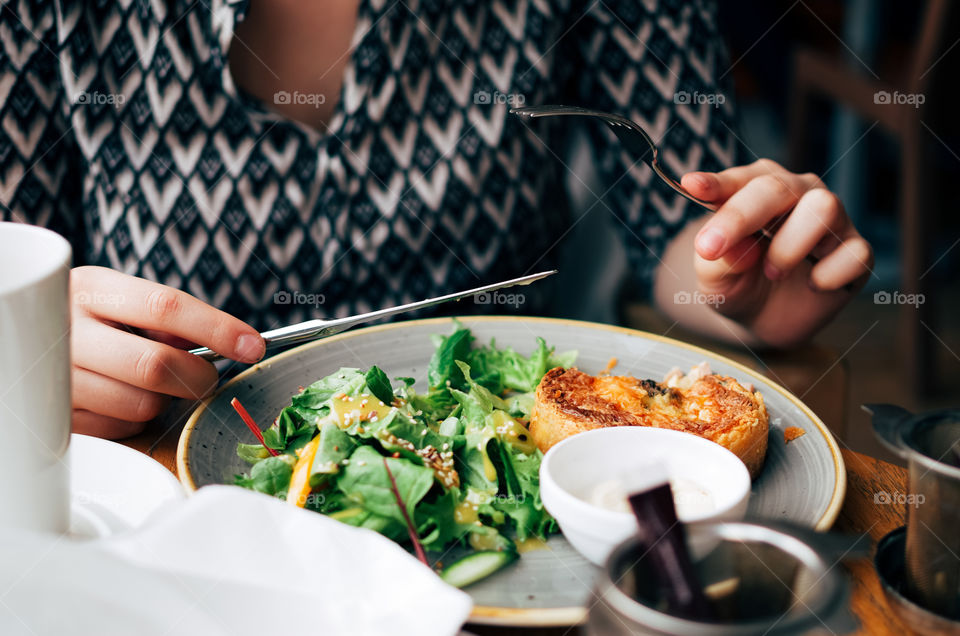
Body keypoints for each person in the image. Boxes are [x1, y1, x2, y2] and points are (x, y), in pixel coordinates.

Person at [0, 1, 872, 439]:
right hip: (151, 481)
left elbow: (674, 221)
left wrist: (740, 281)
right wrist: (25, 347)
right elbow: (15, 266)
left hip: (514, 490)